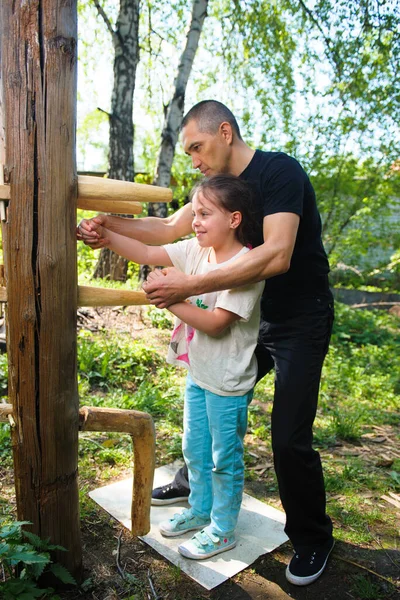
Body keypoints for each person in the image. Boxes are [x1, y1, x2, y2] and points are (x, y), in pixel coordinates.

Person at [78, 100, 335, 585]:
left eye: (197, 146)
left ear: (225, 132)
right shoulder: (213, 192)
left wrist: (185, 288)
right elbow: (167, 233)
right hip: (247, 319)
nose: (193, 158)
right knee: (205, 395)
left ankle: (314, 538)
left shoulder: (279, 172)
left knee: (287, 436)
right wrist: (108, 228)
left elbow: (278, 255)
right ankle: (195, 489)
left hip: (298, 319)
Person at [80, 175, 264, 560]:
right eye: (194, 212)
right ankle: (199, 510)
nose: (195, 221)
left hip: (228, 383)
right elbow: (149, 253)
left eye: (204, 214)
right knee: (194, 450)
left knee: (222, 459)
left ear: (234, 219)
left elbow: (215, 322)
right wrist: (108, 237)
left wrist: (167, 296)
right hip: (199, 375)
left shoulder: (246, 267)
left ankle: (223, 528)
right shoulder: (198, 251)